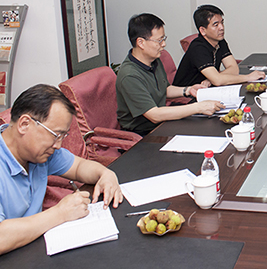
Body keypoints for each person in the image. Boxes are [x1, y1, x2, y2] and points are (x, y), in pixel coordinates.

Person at [0, 84, 123, 255]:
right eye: (55, 135)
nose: (58, 145)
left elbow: (79, 166)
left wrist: (106, 174)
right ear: (24, 124)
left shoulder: (39, 154)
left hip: (36, 246)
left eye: (63, 136)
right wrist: (59, 213)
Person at [116, 13, 224, 136]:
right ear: (141, 42)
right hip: (143, 133)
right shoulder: (130, 76)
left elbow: (164, 89)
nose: (163, 44)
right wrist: (198, 107)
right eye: (159, 40)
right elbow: (154, 115)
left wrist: (188, 90)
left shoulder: (153, 60)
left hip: (163, 122)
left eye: (164, 39)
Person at [173, 5, 265, 87]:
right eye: (216, 25)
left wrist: (213, 79)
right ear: (203, 30)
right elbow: (218, 81)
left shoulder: (220, 41)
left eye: (222, 23)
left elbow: (234, 69)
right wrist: (248, 77)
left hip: (207, 89)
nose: (221, 28)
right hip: (186, 95)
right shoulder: (198, 48)